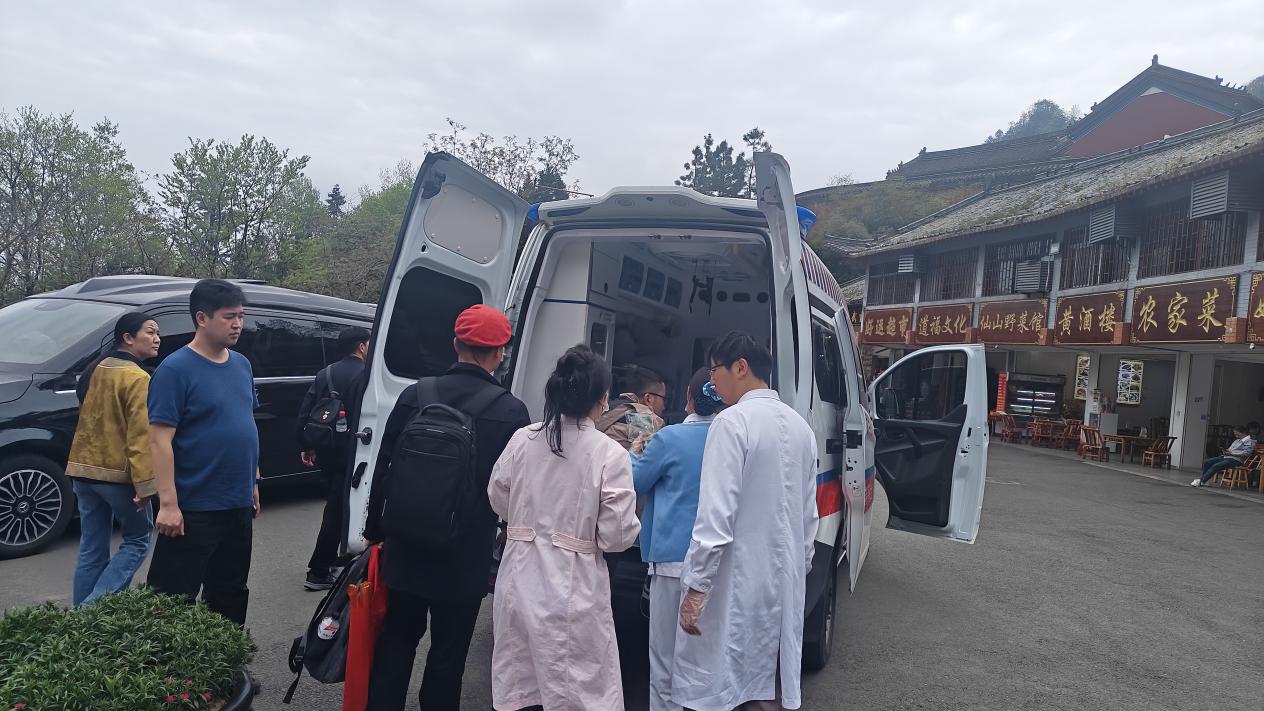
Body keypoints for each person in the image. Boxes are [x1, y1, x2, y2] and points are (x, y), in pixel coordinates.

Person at [362, 304, 530, 711]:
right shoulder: (511, 411)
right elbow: (515, 490)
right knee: (448, 656)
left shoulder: (415, 395)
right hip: (464, 554)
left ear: (455, 344)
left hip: (406, 546)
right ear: (500, 353)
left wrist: (374, 532)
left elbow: (384, 468)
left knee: (396, 643)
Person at [488, 344, 641, 711]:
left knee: (519, 679)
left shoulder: (524, 438)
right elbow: (616, 535)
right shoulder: (610, 453)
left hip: (518, 575)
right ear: (602, 398)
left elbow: (497, 495)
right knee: (578, 691)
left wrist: (527, 522)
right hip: (574, 583)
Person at [675, 331, 818, 711]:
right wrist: (796, 572)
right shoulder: (801, 429)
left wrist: (697, 587)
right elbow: (809, 517)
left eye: (714, 371)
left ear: (740, 367)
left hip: (734, 582)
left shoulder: (732, 422)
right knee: (764, 685)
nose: (711, 381)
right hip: (781, 583)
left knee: (720, 684)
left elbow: (715, 516)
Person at [146, 279, 260, 626]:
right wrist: (168, 504)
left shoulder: (242, 364)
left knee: (230, 590)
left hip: (237, 502)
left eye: (240, 316)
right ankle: (169, 662)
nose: (237, 324)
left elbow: (246, 424)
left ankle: (226, 658)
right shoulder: (175, 370)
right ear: (201, 318)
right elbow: (159, 440)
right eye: (229, 317)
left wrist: (254, 482)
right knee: (171, 598)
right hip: (193, 507)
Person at [632, 367, 726, 711]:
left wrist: (634, 450)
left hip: (672, 563)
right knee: (707, 661)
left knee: (664, 662)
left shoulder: (668, 438)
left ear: (688, 396)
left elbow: (636, 481)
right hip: (716, 564)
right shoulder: (731, 439)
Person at [67, 312, 161, 605]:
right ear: (128, 338)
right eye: (150, 332)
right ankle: (90, 611)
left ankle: (78, 621)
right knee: (138, 540)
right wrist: (146, 485)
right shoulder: (137, 377)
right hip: (116, 475)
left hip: (82, 470)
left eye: (157, 333)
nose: (157, 339)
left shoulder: (96, 368)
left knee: (91, 549)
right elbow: (140, 436)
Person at [296, 325, 371, 591]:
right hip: (353, 452)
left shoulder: (325, 373)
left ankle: (337, 559)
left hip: (326, 450)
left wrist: (306, 445)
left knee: (336, 505)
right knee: (338, 510)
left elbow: (306, 411)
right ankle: (318, 571)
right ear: (361, 346)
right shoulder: (367, 375)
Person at [597, 363, 667, 453]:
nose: (664, 406)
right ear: (648, 398)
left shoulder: (610, 409)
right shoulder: (650, 421)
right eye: (664, 399)